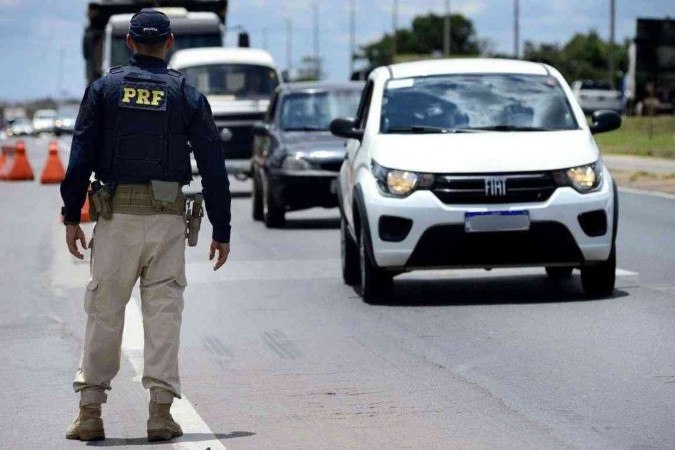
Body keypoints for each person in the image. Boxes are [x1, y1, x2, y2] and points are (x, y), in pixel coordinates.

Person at [60, 9, 232, 442]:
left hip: (115, 219)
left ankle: (90, 414)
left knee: (104, 313)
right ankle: (159, 414)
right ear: (169, 42)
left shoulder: (103, 89)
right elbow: (213, 164)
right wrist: (222, 229)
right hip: (167, 223)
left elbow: (79, 156)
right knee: (163, 315)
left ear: (131, 43)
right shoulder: (186, 95)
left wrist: (70, 216)